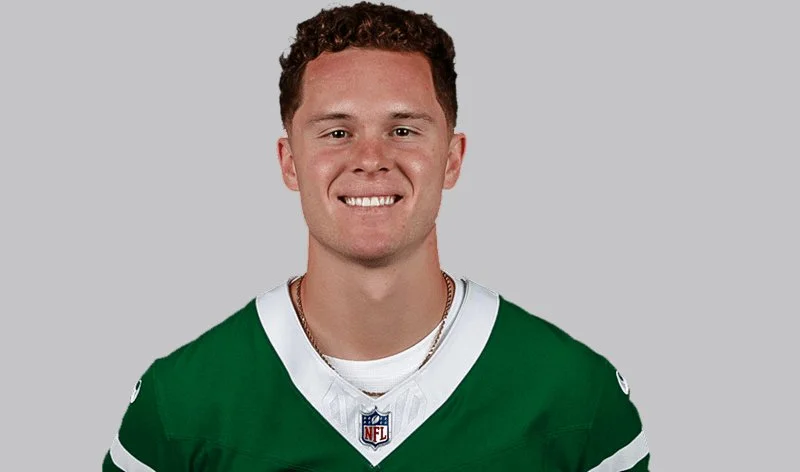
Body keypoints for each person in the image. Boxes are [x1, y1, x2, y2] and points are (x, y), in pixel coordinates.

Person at [102, 2, 650, 471]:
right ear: (289, 162)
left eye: (403, 130)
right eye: (337, 132)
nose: (370, 159)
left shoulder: (577, 398)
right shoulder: (180, 405)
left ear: (453, 159)